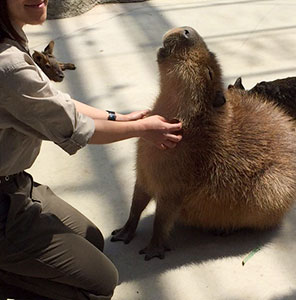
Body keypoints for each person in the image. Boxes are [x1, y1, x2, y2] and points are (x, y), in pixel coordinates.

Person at [0, 0, 183, 299]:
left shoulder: (12, 39)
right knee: (99, 284)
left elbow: (58, 103)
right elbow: (75, 128)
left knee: (92, 240)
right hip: (3, 201)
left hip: (16, 182)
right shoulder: (7, 66)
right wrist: (143, 130)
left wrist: (118, 117)